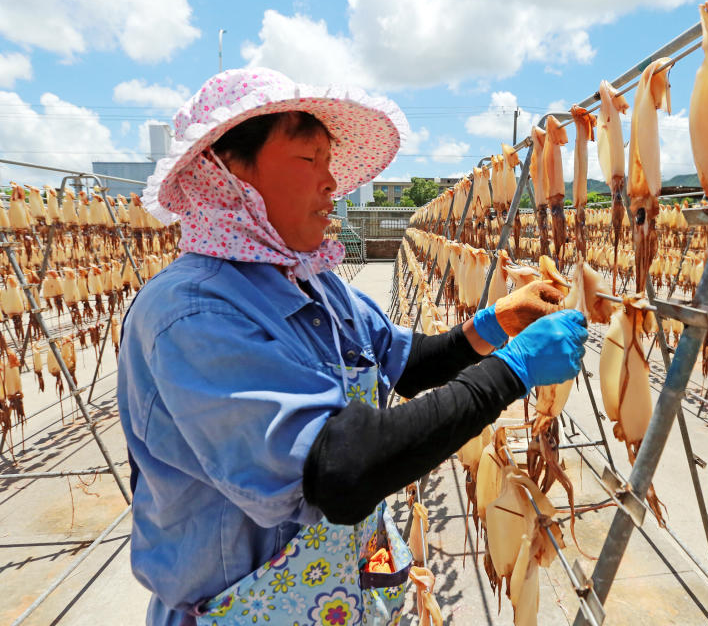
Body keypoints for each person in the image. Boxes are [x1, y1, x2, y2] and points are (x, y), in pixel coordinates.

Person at [117, 68, 588, 626]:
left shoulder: (314, 280)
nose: (330, 182)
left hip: (337, 597)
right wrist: (513, 371)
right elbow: (342, 469)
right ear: (228, 173)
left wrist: (498, 321)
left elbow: (405, 365)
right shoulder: (191, 315)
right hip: (236, 611)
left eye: (328, 161)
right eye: (307, 159)